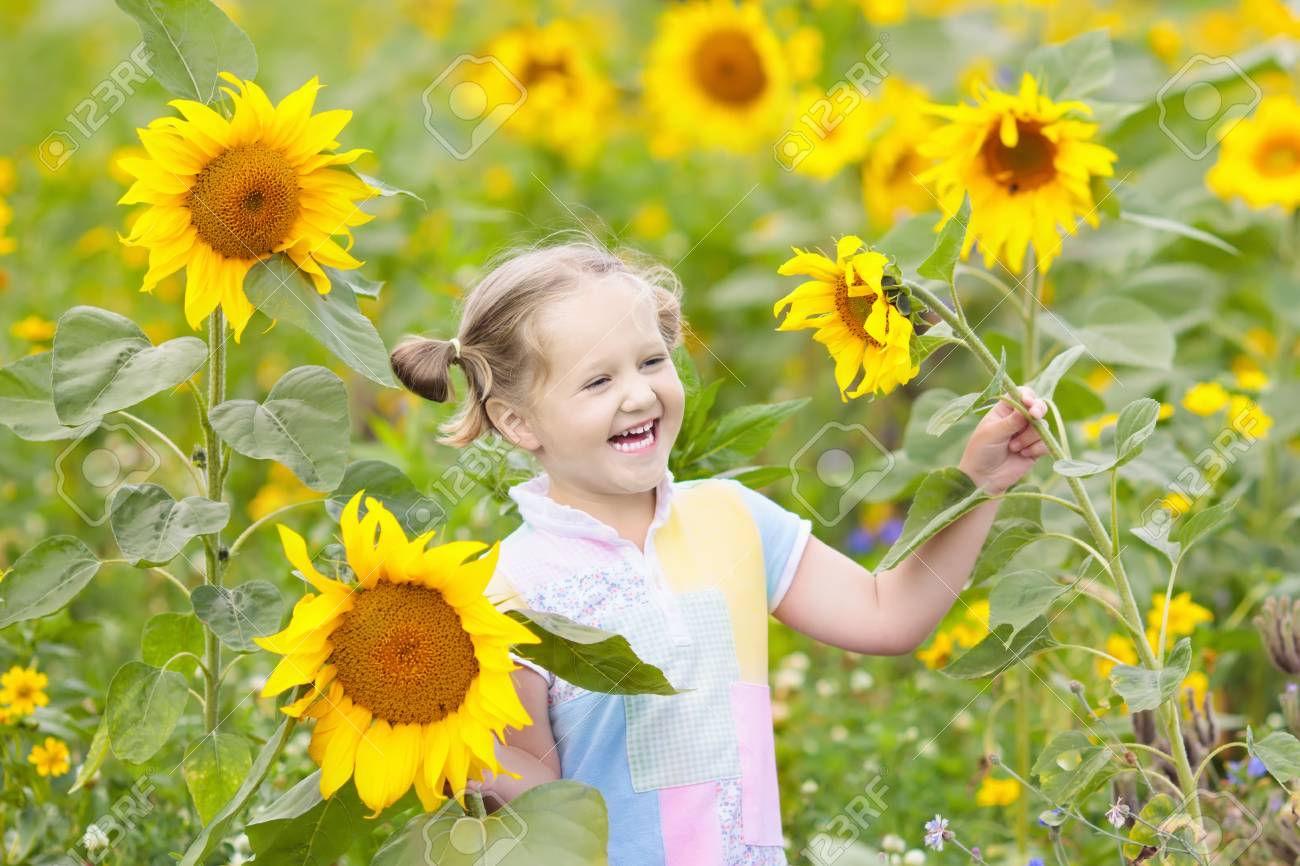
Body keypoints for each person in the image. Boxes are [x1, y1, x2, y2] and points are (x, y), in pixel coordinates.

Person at [389, 235, 1048, 866]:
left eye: (652, 361)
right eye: (597, 381)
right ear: (516, 420)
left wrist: (978, 483)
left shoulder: (732, 518)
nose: (640, 393)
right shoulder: (505, 590)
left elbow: (888, 614)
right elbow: (533, 805)